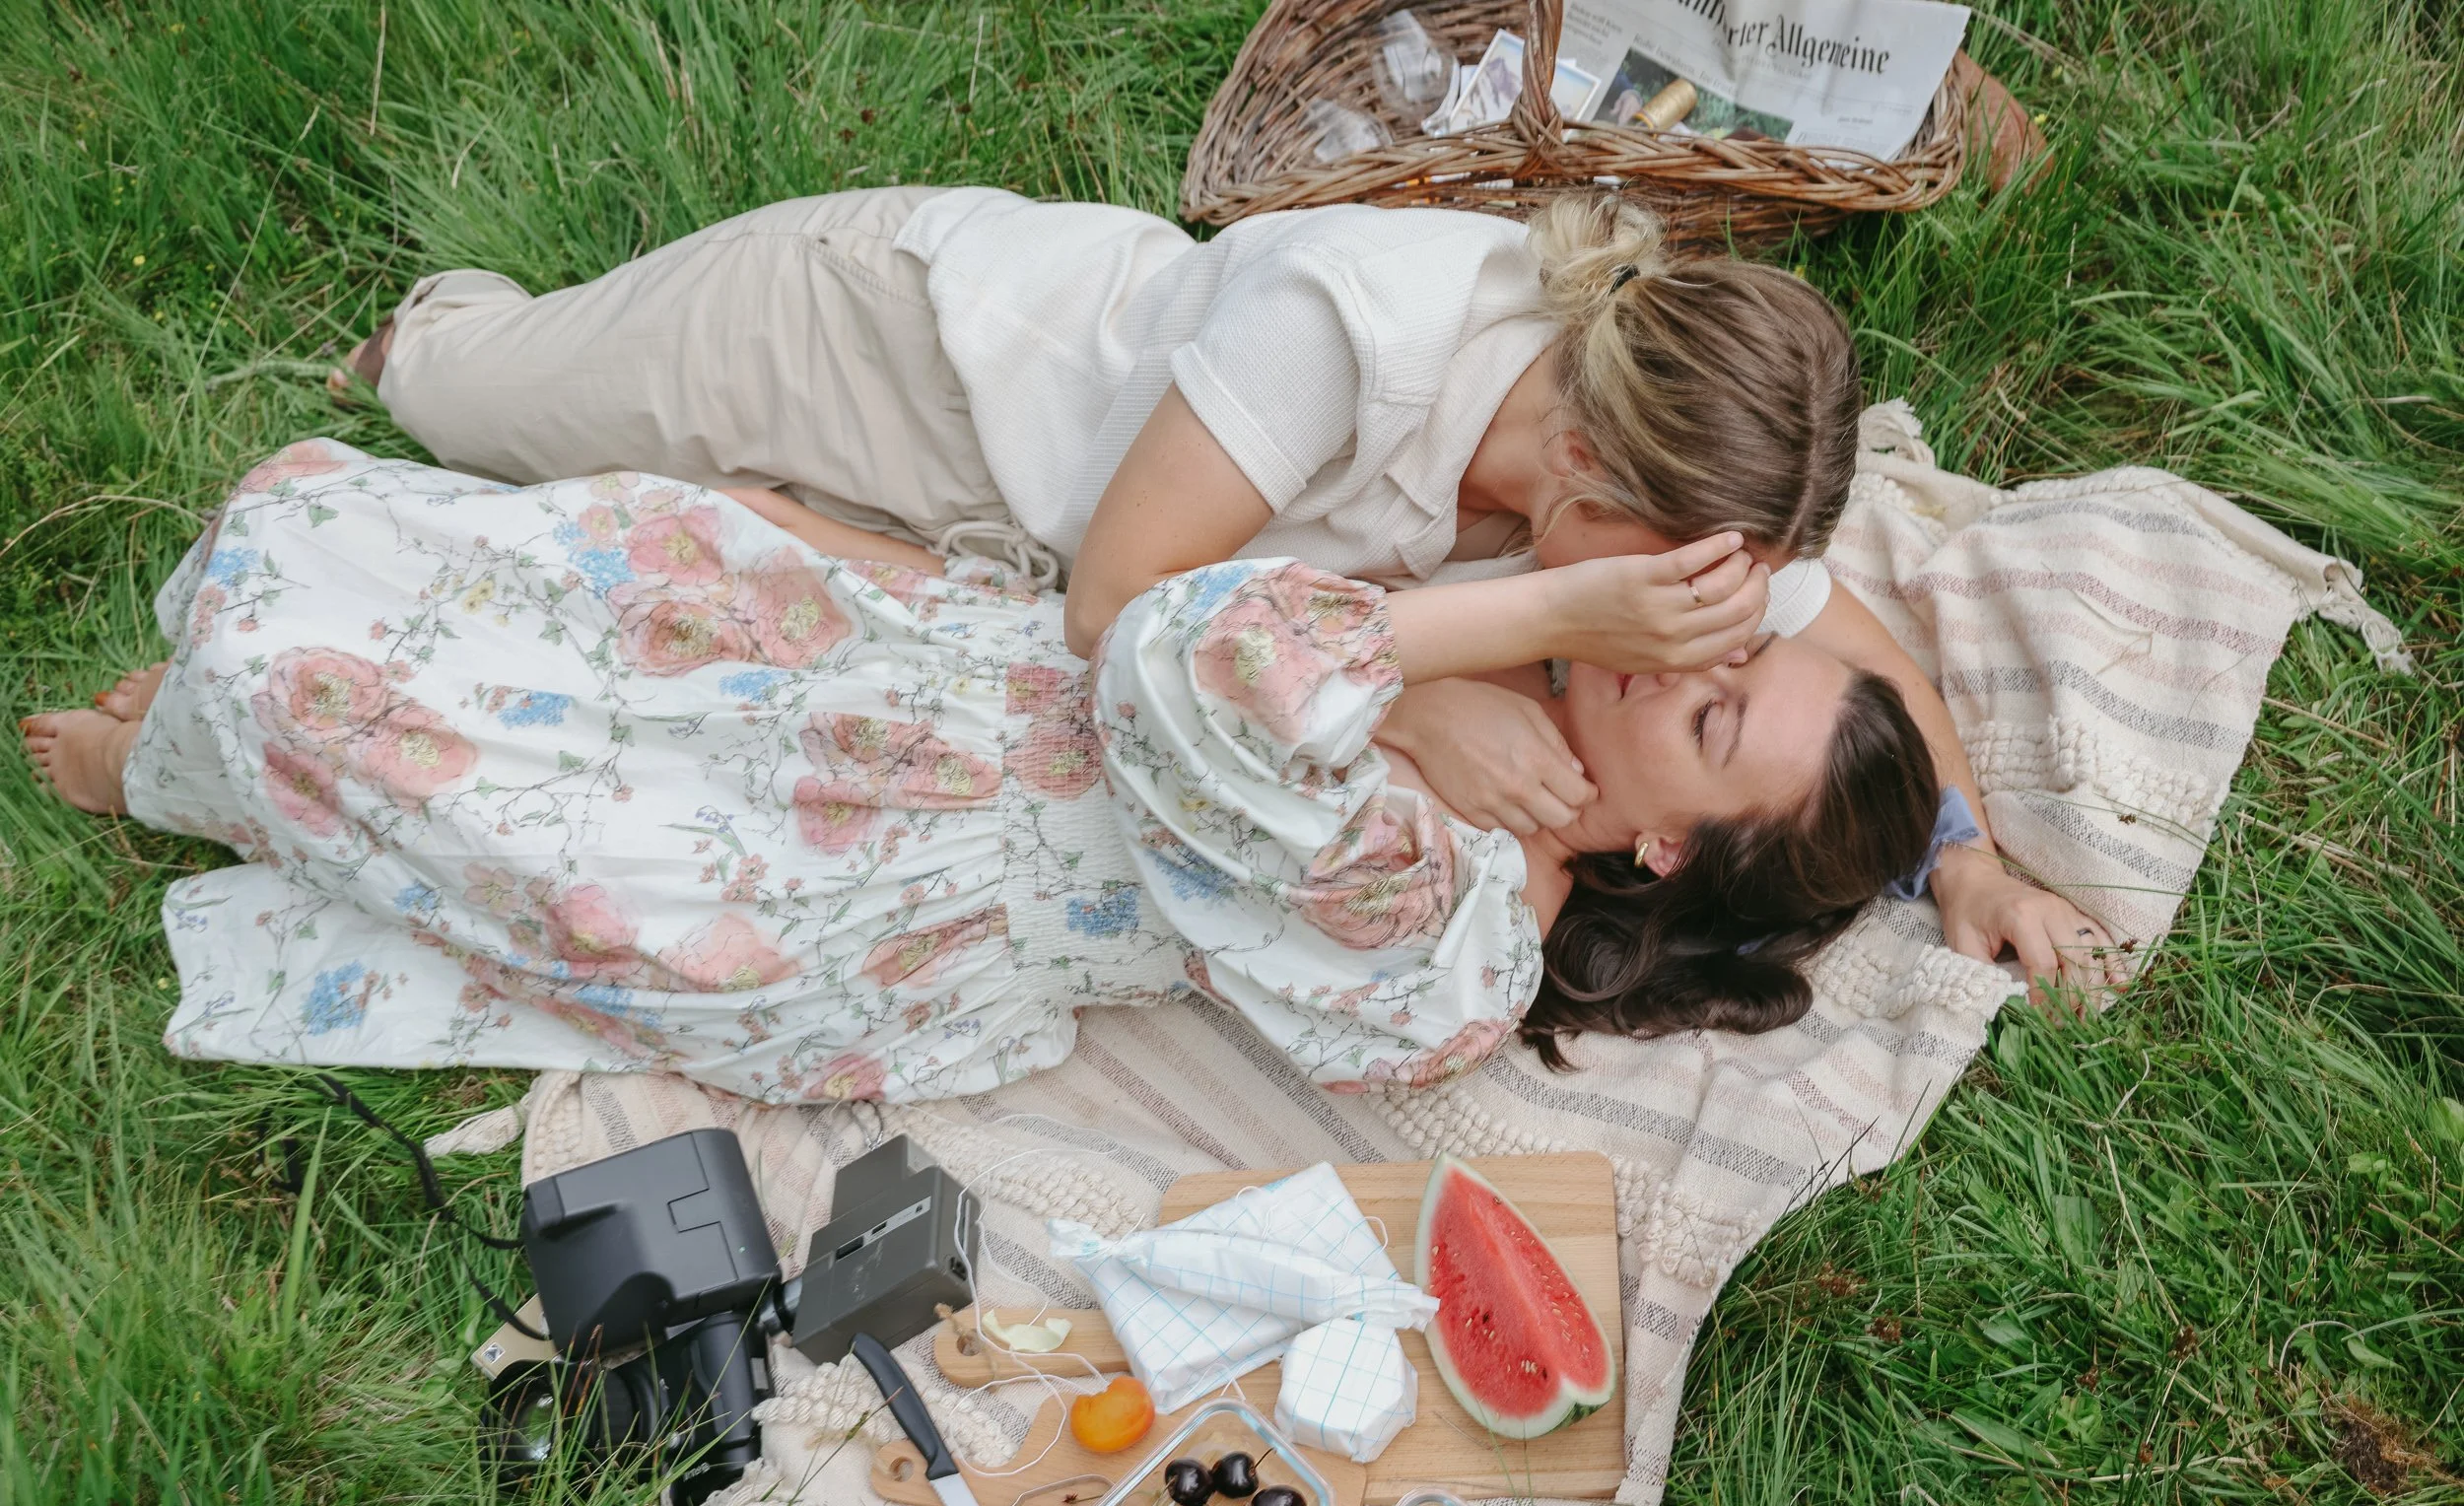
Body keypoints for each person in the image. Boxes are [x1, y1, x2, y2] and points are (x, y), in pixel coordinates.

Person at [333, 187, 2111, 997]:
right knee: (458, 408)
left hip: (998, 564)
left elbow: (1846, 650)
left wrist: (1957, 849)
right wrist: (1420, 685)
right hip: (895, 361)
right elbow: (1122, 605)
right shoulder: (1352, 330)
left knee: (647, 544)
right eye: (1675, 601)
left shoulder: (1644, 541)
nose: (1686, 642)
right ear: (1584, 483)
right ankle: (452, 328)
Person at [22, 442, 1940, 1102]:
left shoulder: (1450, 952)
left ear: (1666, 841)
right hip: (937, 669)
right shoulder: (1509, 648)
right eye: (1720, 645)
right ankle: (248, 669)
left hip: (878, 883)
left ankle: (174, 757)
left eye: (1708, 698)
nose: (1669, 637)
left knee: (499, 798)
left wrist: (1429, 656)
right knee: (612, 557)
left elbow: (1195, 668)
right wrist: (1460, 662)